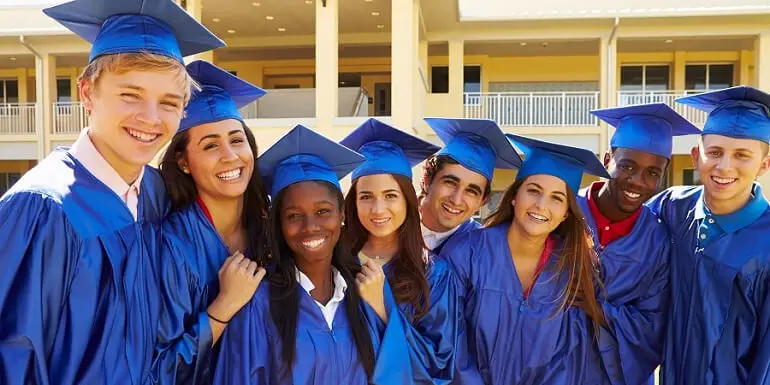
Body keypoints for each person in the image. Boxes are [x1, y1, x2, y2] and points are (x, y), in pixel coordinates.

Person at [0, 1, 224, 384]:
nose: (151, 118)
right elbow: (14, 361)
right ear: (87, 93)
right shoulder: (41, 209)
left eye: (169, 103)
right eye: (130, 95)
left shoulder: (157, 195)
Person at [213, 125, 411, 385]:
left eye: (322, 212)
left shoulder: (367, 292)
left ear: (342, 214)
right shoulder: (258, 303)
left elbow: (396, 375)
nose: (310, 227)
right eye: (294, 216)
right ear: (279, 224)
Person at [441, 134, 613, 384]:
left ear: (566, 213)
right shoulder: (466, 253)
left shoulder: (572, 269)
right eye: (533, 190)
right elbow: (449, 339)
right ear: (514, 196)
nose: (541, 205)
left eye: (557, 198)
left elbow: (567, 360)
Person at [149, 61, 269, 384]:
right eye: (211, 145)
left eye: (237, 139)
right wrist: (223, 306)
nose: (230, 155)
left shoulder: (270, 232)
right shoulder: (171, 248)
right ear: (183, 162)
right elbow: (159, 372)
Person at [646, 85, 770, 385]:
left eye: (742, 155)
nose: (724, 166)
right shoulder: (670, 207)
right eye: (714, 152)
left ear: (764, 165)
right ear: (695, 156)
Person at [583, 103, 700, 385]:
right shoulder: (564, 215)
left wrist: (599, 311)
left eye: (653, 172)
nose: (637, 181)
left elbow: (655, 325)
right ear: (607, 158)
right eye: (628, 166)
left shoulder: (659, 241)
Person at [340, 118, 460, 384]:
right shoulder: (336, 264)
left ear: (408, 200)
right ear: (353, 202)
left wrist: (384, 310)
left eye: (390, 195)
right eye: (366, 196)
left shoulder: (434, 274)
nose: (378, 209)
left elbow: (438, 367)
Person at [419, 118, 522, 254]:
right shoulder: (390, 221)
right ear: (427, 180)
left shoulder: (480, 249)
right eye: (450, 183)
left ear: (483, 201)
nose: (456, 200)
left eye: (472, 191)